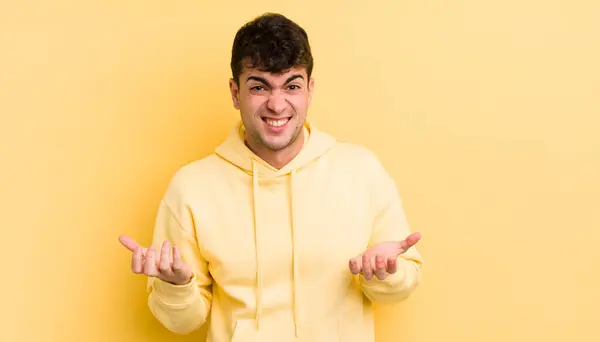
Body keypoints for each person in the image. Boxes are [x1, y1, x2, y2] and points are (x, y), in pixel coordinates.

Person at [119, 12, 423, 342]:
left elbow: (401, 285)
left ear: (310, 90)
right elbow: (183, 322)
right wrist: (176, 288)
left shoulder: (362, 171)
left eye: (291, 86)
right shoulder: (191, 187)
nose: (277, 105)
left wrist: (384, 274)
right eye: (260, 87)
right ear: (235, 93)